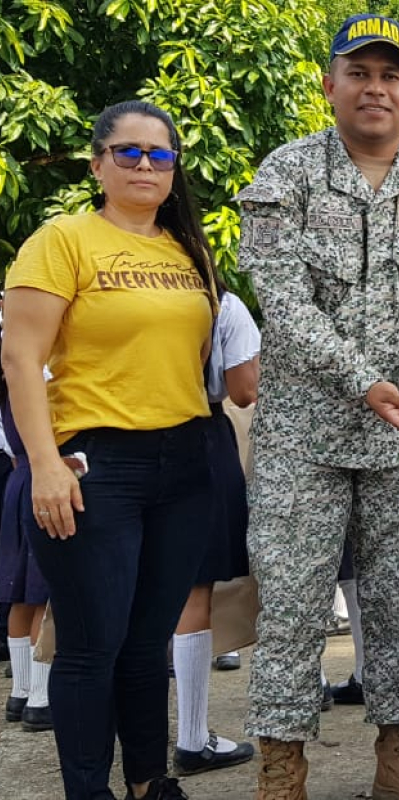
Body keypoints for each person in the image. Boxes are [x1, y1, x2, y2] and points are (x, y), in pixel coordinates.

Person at [235, 13, 399, 800]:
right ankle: (282, 771)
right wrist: (362, 378)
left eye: (390, 75)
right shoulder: (286, 174)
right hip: (301, 437)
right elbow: (280, 297)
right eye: (359, 73)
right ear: (330, 85)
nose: (375, 88)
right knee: (289, 604)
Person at [3, 99, 220, 800]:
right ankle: (89, 792)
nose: (146, 166)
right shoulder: (62, 239)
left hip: (185, 463)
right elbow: (20, 355)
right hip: (97, 464)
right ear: (98, 164)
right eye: (129, 152)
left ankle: (149, 782)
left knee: (145, 641)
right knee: (92, 645)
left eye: (160, 154)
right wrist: (43, 463)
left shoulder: (187, 251)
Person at [170, 278, 260, 775]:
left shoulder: (121, 293)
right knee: (194, 588)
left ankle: (123, 735)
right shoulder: (220, 302)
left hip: (124, 437)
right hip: (200, 433)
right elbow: (244, 390)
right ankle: (191, 737)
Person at [0, 371, 52, 733]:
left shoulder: (8, 375)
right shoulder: (40, 370)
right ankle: (40, 697)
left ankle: (19, 693)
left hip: (18, 480)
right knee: (43, 594)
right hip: (43, 477)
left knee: (20, 593)